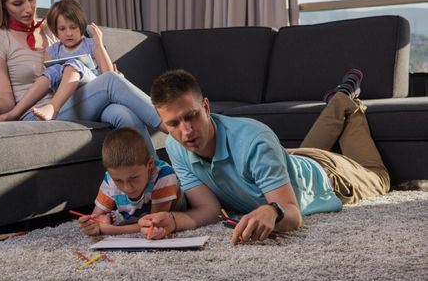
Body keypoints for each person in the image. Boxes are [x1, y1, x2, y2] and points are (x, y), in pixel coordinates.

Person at [139, 68, 390, 245]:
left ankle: (348, 103)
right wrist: (174, 220)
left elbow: (292, 213)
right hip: (287, 161)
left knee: (380, 177)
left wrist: (272, 211)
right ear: (163, 123)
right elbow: (209, 209)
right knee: (283, 156)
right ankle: (340, 98)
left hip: (328, 176)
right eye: (173, 123)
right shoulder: (175, 145)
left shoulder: (255, 141)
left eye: (191, 116)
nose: (186, 131)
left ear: (205, 107)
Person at [0, 0, 166, 155]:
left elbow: (78, 69)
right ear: (3, 4)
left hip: (73, 101)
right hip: (36, 113)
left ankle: (155, 178)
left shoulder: (53, 30)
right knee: (112, 81)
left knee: (125, 115)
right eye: (18, 3)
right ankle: (173, 124)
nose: (28, 9)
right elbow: (5, 97)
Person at [0, 0, 114, 121]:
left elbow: (110, 76)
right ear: (55, 31)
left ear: (81, 26)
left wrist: (99, 45)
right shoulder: (53, 50)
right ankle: (16, 112)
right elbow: (47, 82)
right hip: (70, 101)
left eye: (73, 27)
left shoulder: (91, 44)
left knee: (72, 64)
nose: (68, 33)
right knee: (53, 70)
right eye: (62, 29)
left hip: (92, 90)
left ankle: (53, 107)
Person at [78, 127, 186, 236]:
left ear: (150, 164)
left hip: (174, 210)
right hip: (138, 216)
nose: (127, 188)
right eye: (118, 180)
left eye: (134, 178)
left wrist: (108, 229)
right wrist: (92, 224)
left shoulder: (164, 175)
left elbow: (154, 223)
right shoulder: (110, 180)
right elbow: (95, 217)